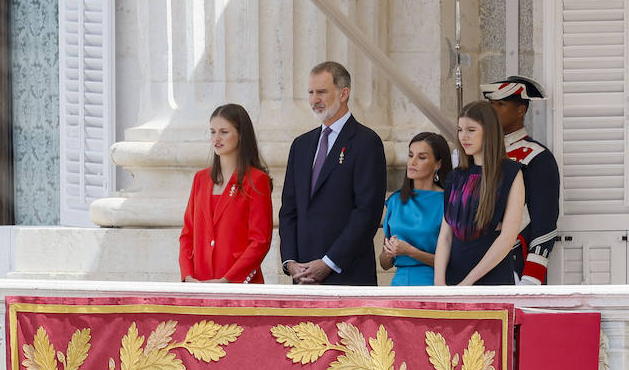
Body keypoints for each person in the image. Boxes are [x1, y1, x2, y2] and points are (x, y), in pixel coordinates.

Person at [278, 61, 387, 285]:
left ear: (344, 93)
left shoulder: (367, 142)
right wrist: (290, 262)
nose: (314, 100)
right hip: (303, 279)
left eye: (321, 92)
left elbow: (367, 212)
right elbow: (289, 210)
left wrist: (329, 262)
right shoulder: (301, 145)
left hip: (348, 277)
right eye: (310, 92)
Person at [434, 101, 526, 286]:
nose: (463, 136)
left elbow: (507, 238)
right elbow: (445, 236)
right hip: (453, 280)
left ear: (489, 131)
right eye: (460, 130)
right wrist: (439, 283)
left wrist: (467, 283)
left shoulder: (511, 173)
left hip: (492, 279)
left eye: (471, 130)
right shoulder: (455, 176)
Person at [179, 103, 272, 284]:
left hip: (238, 288)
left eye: (224, 132)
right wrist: (187, 276)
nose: (216, 138)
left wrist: (227, 280)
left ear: (240, 135)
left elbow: (260, 242)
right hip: (199, 284)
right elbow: (187, 234)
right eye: (212, 132)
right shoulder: (200, 179)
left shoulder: (256, 180)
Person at [481, 76, 561, 285]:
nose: (493, 110)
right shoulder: (479, 154)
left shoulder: (538, 157)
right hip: (477, 261)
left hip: (515, 263)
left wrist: (531, 278)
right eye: (491, 105)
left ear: (520, 110)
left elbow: (545, 224)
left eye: (500, 104)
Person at [380, 132, 452, 286]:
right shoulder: (395, 201)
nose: (412, 162)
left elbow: (453, 262)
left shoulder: (447, 202)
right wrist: (390, 252)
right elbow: (385, 264)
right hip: (398, 286)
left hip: (433, 284)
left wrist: (410, 251)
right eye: (410, 155)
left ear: (438, 164)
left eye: (421, 157)